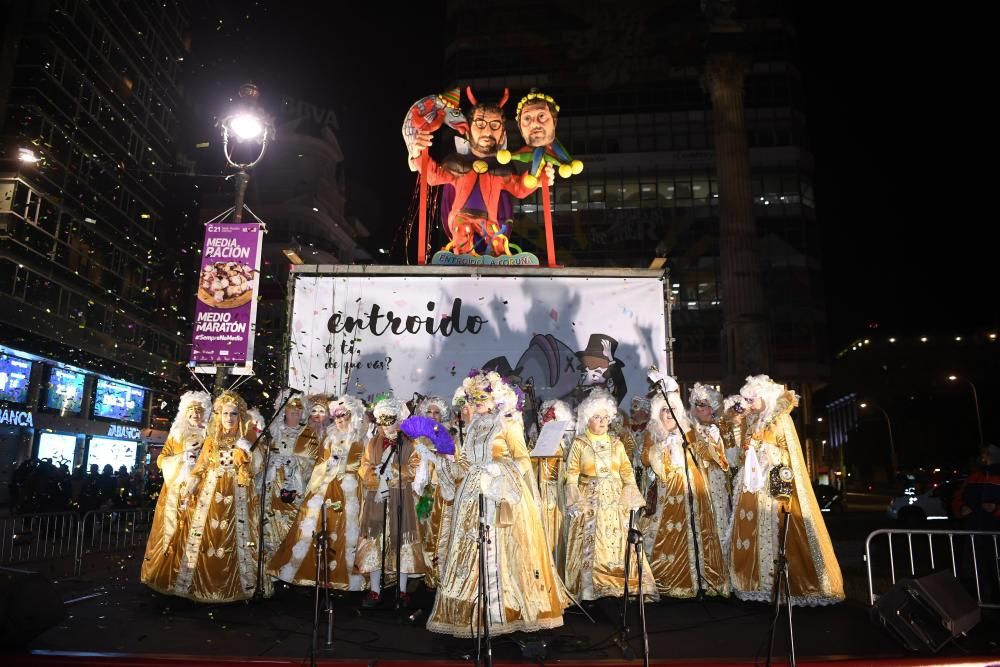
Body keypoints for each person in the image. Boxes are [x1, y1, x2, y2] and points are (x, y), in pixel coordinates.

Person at [428, 369, 568, 636]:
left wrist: (498, 469)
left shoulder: (508, 423)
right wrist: (442, 460)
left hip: (502, 497)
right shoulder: (472, 428)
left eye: (483, 394)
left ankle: (506, 611)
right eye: (473, 396)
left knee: (504, 554)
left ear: (496, 397)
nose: (476, 400)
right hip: (472, 497)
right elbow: (465, 465)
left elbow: (523, 460)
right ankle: (477, 613)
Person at [729, 375, 844, 605]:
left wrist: (765, 451)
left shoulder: (780, 420)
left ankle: (782, 587)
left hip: (771, 488)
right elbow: (740, 455)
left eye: (753, 399)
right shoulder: (749, 422)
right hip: (750, 487)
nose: (749, 403)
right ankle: (753, 584)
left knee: (777, 534)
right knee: (749, 533)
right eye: (748, 399)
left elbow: (789, 454)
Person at [408, 88, 553, 256]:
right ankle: (461, 265)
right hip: (461, 218)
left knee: (498, 243)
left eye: (495, 125)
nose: (487, 131)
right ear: (468, 129)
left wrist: (538, 175)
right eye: (480, 124)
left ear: (502, 134)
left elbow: (519, 189)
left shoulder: (501, 170)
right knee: (463, 237)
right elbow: (432, 177)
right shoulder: (457, 164)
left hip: (489, 220)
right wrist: (418, 154)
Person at [172, 390, 265, 603]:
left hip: (238, 493)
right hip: (210, 494)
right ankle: (202, 585)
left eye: (233, 414)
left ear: (239, 415)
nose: (229, 418)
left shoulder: (247, 438)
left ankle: (240, 586)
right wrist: (190, 488)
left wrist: (247, 457)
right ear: (218, 415)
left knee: (237, 539)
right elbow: (201, 466)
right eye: (225, 414)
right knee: (206, 538)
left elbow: (258, 467)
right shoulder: (212, 441)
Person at [268, 396, 367, 591]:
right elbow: (320, 463)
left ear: (353, 416)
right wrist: (326, 470)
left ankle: (342, 576)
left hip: (350, 489)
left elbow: (365, 464)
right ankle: (314, 573)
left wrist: (346, 470)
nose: (339, 420)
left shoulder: (362, 439)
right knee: (315, 526)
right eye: (336, 416)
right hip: (326, 487)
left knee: (344, 529)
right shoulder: (329, 438)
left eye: (344, 415)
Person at [563, 389, 653, 600]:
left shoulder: (617, 443)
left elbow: (626, 471)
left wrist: (630, 494)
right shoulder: (579, 443)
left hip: (614, 500)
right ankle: (590, 588)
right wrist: (576, 500)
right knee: (591, 544)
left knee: (620, 540)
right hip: (589, 500)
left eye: (605, 417)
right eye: (597, 417)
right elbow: (572, 473)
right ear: (587, 419)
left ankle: (621, 581)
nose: (603, 422)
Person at [643, 384, 728, 598]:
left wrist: (713, 442)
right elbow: (644, 458)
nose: (668, 413)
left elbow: (704, 453)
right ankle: (668, 582)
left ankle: (701, 581)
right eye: (664, 409)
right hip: (665, 492)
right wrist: (661, 448)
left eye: (672, 409)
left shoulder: (687, 430)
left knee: (698, 534)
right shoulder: (652, 432)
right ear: (658, 413)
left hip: (692, 491)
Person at [356, 397, 426, 607]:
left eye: (390, 419)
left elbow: (414, 468)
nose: (386, 425)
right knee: (374, 542)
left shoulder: (410, 442)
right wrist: (375, 476)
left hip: (401, 498)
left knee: (403, 543)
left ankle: (402, 590)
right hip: (376, 500)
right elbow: (364, 466)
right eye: (382, 420)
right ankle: (375, 590)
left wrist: (393, 473)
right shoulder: (372, 442)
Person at [140, 390, 212, 594]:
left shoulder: (209, 435)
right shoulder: (176, 434)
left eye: (199, 412)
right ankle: (167, 574)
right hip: (176, 492)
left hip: (200, 491)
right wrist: (182, 460)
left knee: (196, 533)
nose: (195, 416)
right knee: (172, 533)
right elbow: (162, 459)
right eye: (191, 412)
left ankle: (194, 577)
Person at [261, 393, 322, 562]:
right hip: (274, 485)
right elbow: (262, 455)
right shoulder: (273, 431)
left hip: (294, 488)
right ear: (284, 412)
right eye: (291, 411)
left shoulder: (308, 434)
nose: (295, 415)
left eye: (298, 412)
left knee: (293, 523)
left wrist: (294, 461)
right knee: (271, 522)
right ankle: (272, 560)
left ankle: (289, 563)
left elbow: (313, 463)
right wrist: (273, 460)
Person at [411, 394, 454, 588]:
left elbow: (455, 460)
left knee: (440, 532)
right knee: (422, 531)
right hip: (422, 490)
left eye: (437, 412)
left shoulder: (450, 434)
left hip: (442, 489)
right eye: (429, 411)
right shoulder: (417, 437)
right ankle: (424, 573)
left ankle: (440, 575)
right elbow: (411, 462)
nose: (433, 415)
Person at [688, 383, 732, 557]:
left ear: (712, 408)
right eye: (696, 404)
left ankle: (720, 565)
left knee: (718, 520)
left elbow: (723, 458)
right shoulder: (690, 429)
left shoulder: (720, 429)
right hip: (696, 480)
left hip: (715, 482)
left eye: (703, 405)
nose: (698, 409)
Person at [532, 398, 575, 568]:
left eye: (551, 419)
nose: (546, 422)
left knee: (553, 535)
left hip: (554, 497)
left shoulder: (564, 447)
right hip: (537, 493)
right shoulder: (536, 443)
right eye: (545, 418)